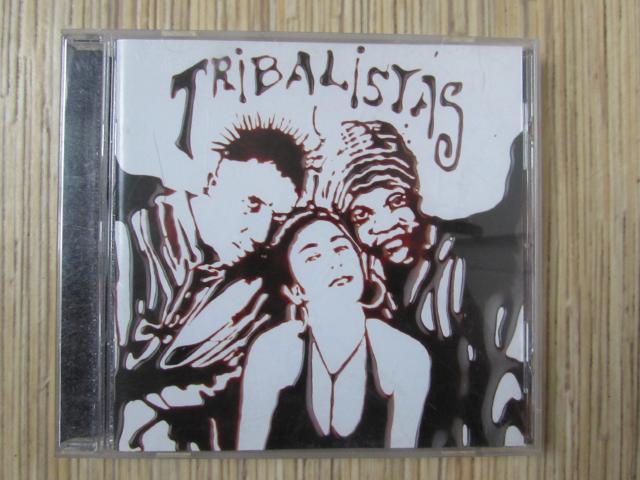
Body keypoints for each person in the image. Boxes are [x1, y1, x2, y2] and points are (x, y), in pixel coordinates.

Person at [321, 120, 527, 447]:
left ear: (414, 194)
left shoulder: (461, 258)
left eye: (394, 202)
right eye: (362, 215)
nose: (384, 224)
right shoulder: (357, 287)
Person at [115, 126, 307, 451]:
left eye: (276, 218)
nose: (261, 233)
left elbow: (223, 388)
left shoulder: (256, 296)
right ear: (212, 178)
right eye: (253, 203)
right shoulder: (131, 231)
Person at [236, 209, 431, 450]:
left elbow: (403, 461)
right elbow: (247, 454)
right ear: (295, 291)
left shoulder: (404, 353)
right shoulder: (273, 350)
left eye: (341, 248)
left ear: (361, 263)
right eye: (313, 257)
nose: (335, 262)